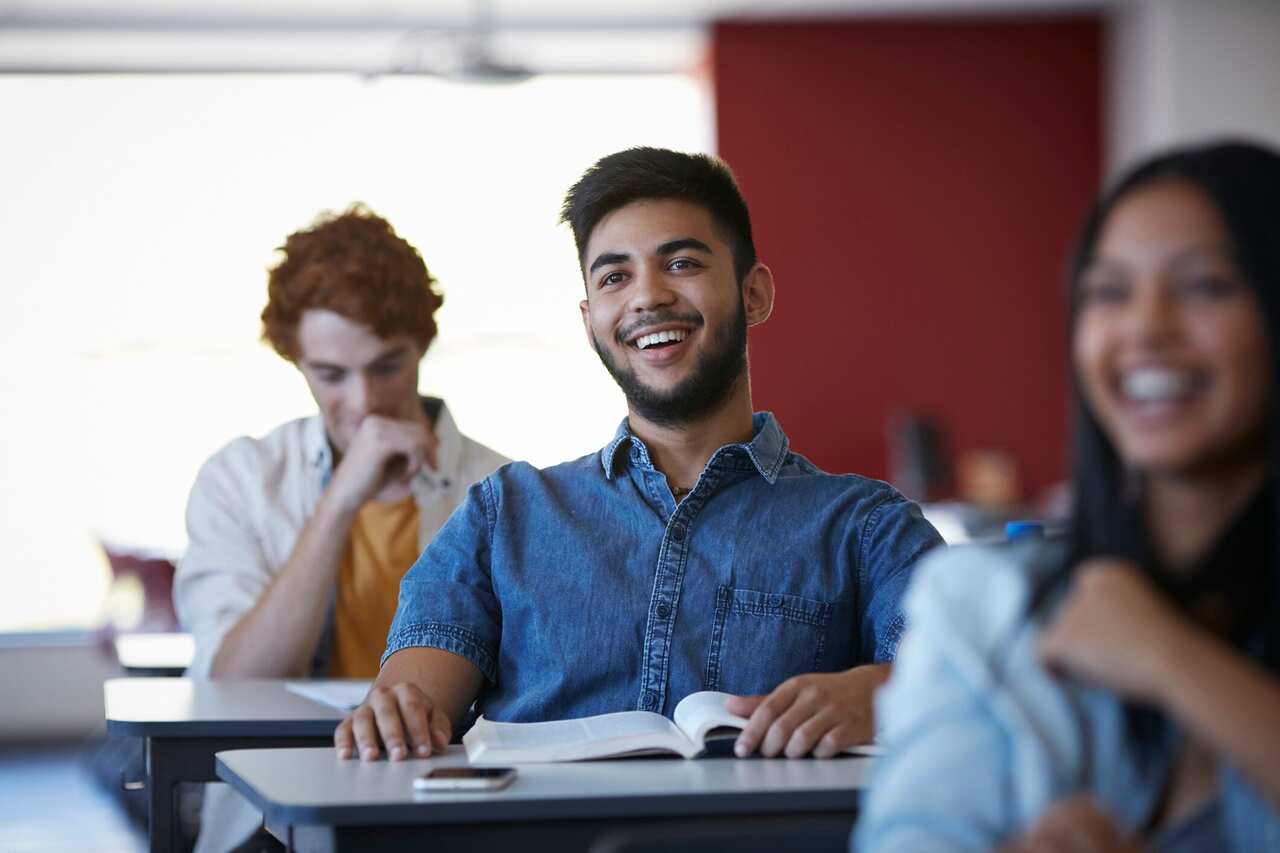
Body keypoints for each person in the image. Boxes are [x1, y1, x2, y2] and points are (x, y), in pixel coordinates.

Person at [334, 147, 943, 764]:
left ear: (754, 293)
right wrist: (394, 710)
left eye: (680, 263)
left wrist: (881, 693)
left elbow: (970, 678)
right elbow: (411, 700)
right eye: (614, 277)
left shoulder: (867, 525)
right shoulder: (504, 514)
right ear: (591, 319)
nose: (647, 297)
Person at [856, 141, 1280, 851]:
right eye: (1110, 292)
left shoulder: (1145, 638)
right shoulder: (983, 609)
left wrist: (1169, 659)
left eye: (1205, 285)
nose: (1146, 328)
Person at [174, 205, 509, 852]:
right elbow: (234, 686)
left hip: (446, 806)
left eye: (386, 365)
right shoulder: (241, 479)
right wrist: (340, 499)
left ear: (422, 345)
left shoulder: (502, 488)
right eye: (330, 375)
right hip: (267, 812)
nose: (362, 401)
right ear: (294, 360)